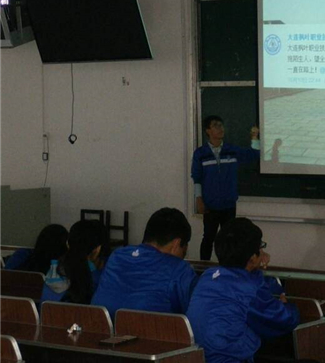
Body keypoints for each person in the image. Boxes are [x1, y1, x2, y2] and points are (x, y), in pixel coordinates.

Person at [186, 218, 299, 363]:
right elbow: (286, 320)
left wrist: (256, 267)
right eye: (261, 247)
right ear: (252, 258)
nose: (263, 251)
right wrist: (287, 305)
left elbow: (254, 284)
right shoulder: (248, 289)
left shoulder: (207, 276)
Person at [91, 207, 198, 319]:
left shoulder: (117, 256)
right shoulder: (179, 270)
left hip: (98, 327)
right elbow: (198, 314)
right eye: (184, 251)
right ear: (176, 244)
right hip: (150, 329)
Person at [191, 115, 260, 260]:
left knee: (228, 240)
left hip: (228, 204)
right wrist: (199, 199)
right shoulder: (200, 153)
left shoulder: (231, 150)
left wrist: (254, 138)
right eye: (216, 125)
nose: (220, 128)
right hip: (210, 205)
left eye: (221, 125)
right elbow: (197, 177)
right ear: (208, 130)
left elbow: (254, 154)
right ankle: (203, 269)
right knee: (208, 238)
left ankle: (226, 268)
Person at [41, 220, 105, 304]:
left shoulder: (52, 270)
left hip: (45, 312)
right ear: (97, 249)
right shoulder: (96, 278)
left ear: (67, 243)